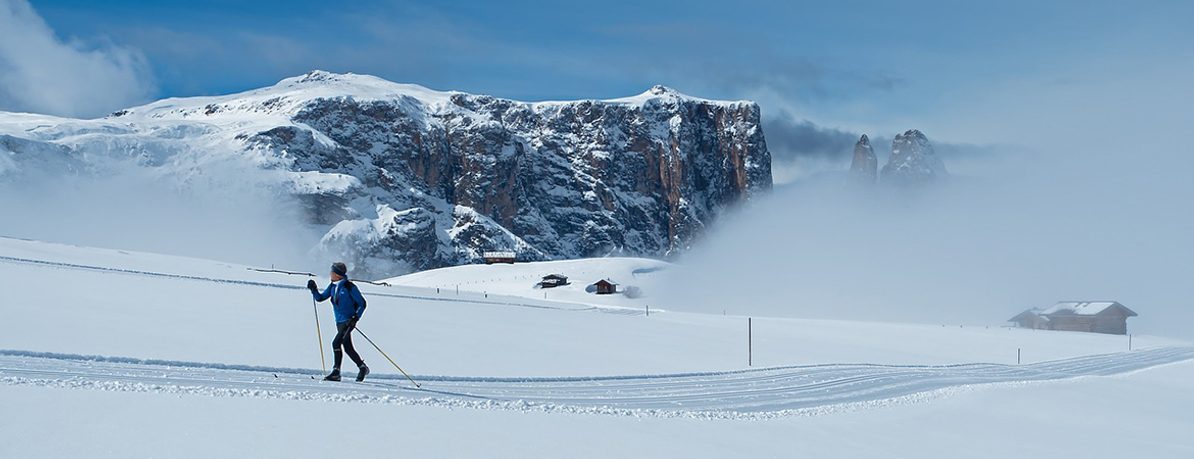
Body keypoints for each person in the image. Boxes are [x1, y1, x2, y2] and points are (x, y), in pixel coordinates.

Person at [307, 262, 369, 382]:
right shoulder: (333, 286)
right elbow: (320, 298)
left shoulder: (349, 287)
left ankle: (336, 372)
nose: (330, 274)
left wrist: (355, 318)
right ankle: (362, 368)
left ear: (338, 274)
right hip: (339, 321)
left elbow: (362, 303)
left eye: (332, 272)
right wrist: (313, 289)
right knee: (348, 347)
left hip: (348, 321)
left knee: (336, 343)